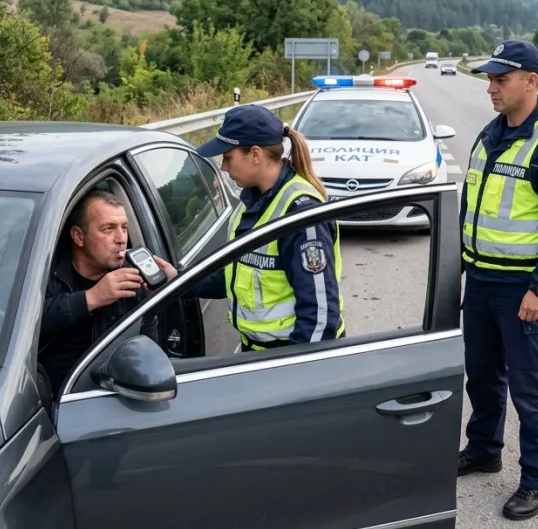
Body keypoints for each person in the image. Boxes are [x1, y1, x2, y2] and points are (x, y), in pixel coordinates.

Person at [456, 40, 538, 521]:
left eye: (500, 79)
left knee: (530, 388)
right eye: (490, 79)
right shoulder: (489, 135)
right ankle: (484, 450)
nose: (491, 88)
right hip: (482, 281)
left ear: (531, 81)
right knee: (482, 376)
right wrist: (456, 270)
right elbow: (471, 209)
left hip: (522, 288)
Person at [191, 104, 345, 350]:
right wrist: (181, 281)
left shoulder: (299, 214)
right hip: (258, 351)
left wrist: (294, 368)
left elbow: (319, 314)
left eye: (228, 158)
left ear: (255, 154)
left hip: (290, 357)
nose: (224, 167)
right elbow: (236, 274)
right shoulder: (251, 202)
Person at [38, 189, 177, 396]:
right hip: (46, 401)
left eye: (124, 228)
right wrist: (91, 298)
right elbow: (21, 328)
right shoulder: (41, 275)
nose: (121, 239)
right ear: (78, 236)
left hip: (115, 398)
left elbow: (150, 361)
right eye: (108, 229)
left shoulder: (136, 283)